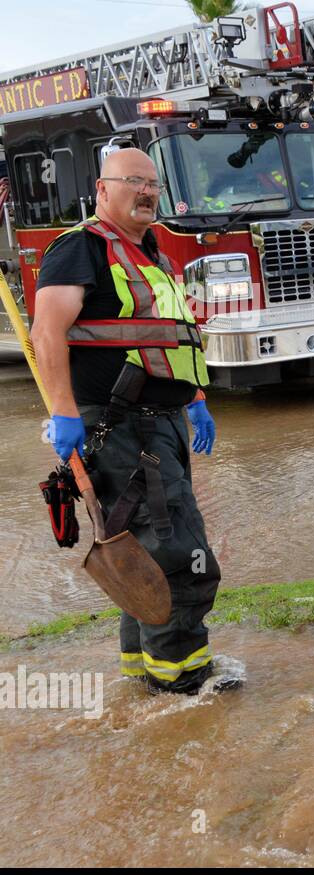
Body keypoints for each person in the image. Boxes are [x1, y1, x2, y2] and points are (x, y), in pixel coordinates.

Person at [32, 147, 222, 694]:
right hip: (121, 429)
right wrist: (63, 413)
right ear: (102, 189)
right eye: (133, 182)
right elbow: (47, 333)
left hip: (159, 423)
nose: (146, 192)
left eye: (153, 185)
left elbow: (167, 336)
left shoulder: (152, 254)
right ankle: (185, 688)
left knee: (139, 549)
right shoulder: (80, 249)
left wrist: (195, 398)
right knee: (178, 559)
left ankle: (144, 680)